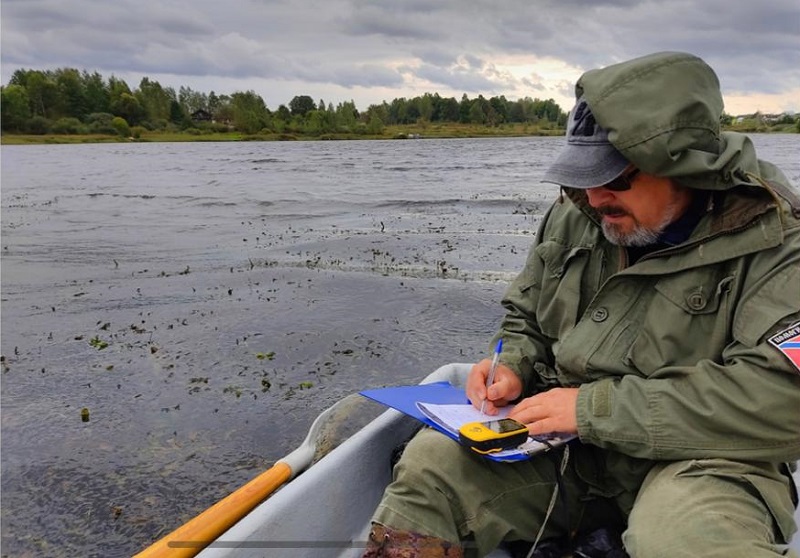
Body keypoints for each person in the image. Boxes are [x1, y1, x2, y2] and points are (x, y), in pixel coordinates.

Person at [362, 51, 800, 558]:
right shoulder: (578, 214)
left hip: (704, 460)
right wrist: (513, 365)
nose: (594, 198)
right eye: (585, 176)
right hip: (568, 449)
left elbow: (781, 401)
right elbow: (525, 317)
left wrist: (592, 410)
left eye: (615, 179)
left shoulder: (781, 243)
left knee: (681, 541)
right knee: (431, 467)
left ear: (687, 166)